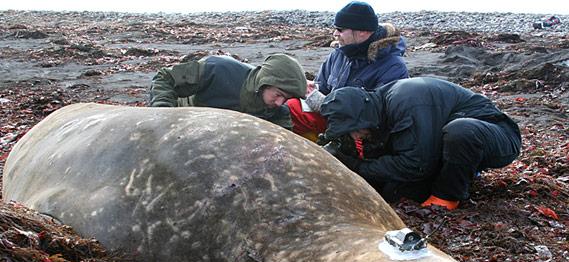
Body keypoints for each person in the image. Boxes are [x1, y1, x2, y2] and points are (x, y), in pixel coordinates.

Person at [318, 77, 522, 211]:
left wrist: (357, 167)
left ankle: (447, 197)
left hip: (496, 135)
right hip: (438, 143)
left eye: (354, 130)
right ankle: (453, 174)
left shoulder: (406, 101)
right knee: (394, 193)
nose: (355, 137)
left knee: (460, 132)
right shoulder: (377, 108)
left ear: (363, 117)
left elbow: (415, 165)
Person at [287, 1, 409, 141]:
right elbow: (323, 86)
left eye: (340, 29)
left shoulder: (393, 67)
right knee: (289, 106)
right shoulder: (339, 54)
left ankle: (330, 155)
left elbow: (380, 117)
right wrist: (313, 89)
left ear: (363, 32)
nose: (335, 34)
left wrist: (323, 103)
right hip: (332, 116)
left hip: (362, 130)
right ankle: (312, 148)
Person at [148, 54, 307, 130]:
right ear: (264, 83)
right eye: (278, 94)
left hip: (221, 136)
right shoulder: (217, 70)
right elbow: (165, 77)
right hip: (185, 119)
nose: (280, 103)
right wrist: (163, 114)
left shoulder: (279, 113)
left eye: (286, 99)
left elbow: (282, 145)